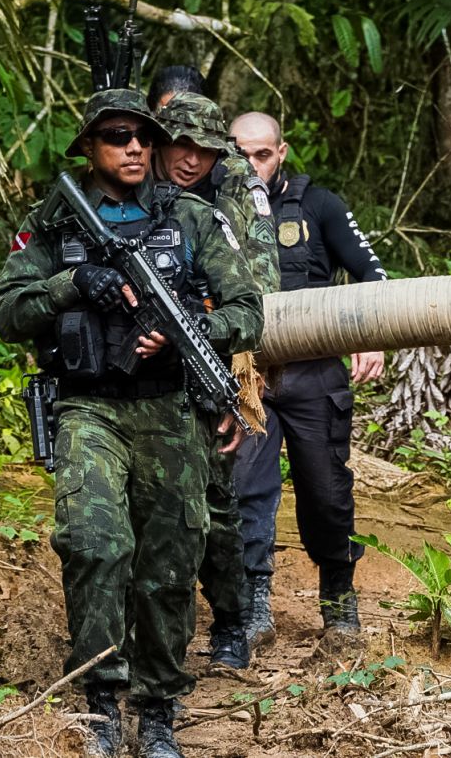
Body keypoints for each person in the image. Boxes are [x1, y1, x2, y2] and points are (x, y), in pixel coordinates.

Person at [0, 88, 264, 758]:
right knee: (91, 539)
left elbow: (248, 309)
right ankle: (100, 702)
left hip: (170, 409)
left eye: (143, 135)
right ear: (88, 146)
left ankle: (159, 706)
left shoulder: (192, 218)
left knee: (170, 560)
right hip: (89, 404)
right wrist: (72, 285)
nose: (136, 146)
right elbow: (7, 313)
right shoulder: (54, 222)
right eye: (117, 135)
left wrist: (193, 331)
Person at [229, 110, 387, 645]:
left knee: (325, 491)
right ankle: (253, 607)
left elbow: (373, 275)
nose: (251, 165)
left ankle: (339, 603)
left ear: (282, 152)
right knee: (247, 489)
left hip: (316, 373)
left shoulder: (319, 206)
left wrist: (368, 332)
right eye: (240, 153)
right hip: (247, 377)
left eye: (262, 154)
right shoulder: (210, 210)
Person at [149, 92, 280, 671]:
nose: (190, 160)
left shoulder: (229, 198)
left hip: (210, 362)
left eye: (204, 150)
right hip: (134, 376)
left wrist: (229, 370)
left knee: (217, 508)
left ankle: (231, 617)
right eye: (180, 145)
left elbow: (255, 294)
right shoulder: (124, 196)